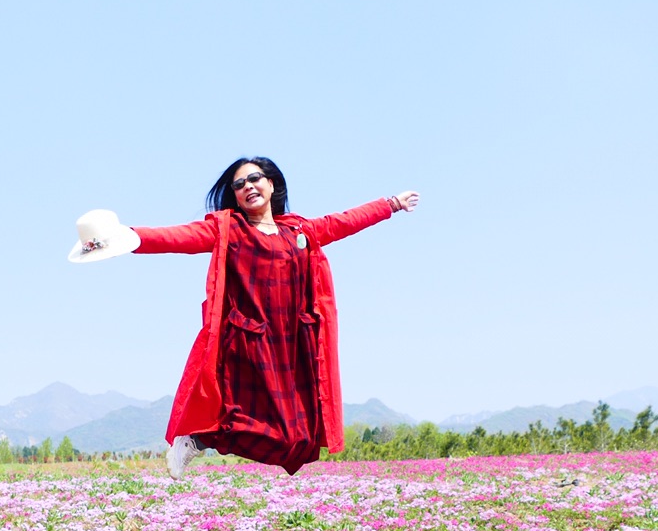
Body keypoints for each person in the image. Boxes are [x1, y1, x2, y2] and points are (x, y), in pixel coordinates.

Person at [90, 158, 418, 477]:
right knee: (241, 420)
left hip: (293, 347)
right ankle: (195, 440)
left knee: (299, 442)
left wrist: (390, 204)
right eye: (238, 184)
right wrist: (127, 237)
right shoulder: (229, 230)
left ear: (271, 184)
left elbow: (345, 221)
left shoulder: (301, 230)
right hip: (249, 343)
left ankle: (201, 439)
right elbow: (177, 237)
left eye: (254, 178)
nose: (248, 186)